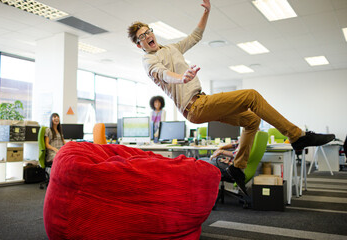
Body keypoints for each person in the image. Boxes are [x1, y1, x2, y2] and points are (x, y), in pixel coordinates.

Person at [127, 0, 335, 194]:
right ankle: (297, 136)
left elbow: (195, 36)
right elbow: (163, 74)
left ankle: (237, 167)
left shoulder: (171, 48)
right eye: (142, 37)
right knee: (251, 96)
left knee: (252, 120)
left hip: (201, 101)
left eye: (148, 32)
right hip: (194, 106)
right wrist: (182, 78)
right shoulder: (148, 61)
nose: (147, 37)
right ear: (139, 45)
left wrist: (207, 12)